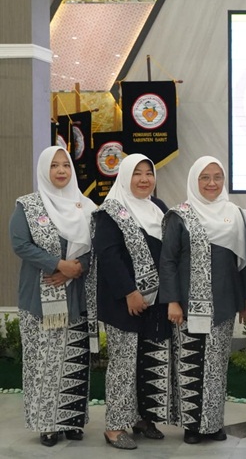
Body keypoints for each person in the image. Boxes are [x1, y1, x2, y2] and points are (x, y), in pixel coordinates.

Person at [159, 156, 246, 444]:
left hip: (223, 302)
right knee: (190, 362)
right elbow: (168, 261)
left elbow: (244, 262)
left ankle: (212, 424)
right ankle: (192, 426)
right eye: (205, 178)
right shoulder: (180, 215)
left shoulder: (236, 214)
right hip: (187, 306)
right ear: (194, 181)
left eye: (217, 177)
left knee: (215, 366)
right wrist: (173, 301)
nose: (212, 183)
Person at [9, 147, 94, 447]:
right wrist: (57, 265)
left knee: (74, 358)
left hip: (77, 297)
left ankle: (71, 420)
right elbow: (20, 243)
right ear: (44, 170)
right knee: (44, 361)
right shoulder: (29, 206)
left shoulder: (85, 206)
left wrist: (75, 269)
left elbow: (96, 249)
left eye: (65, 166)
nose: (60, 171)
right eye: (54, 166)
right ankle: (47, 423)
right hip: (40, 298)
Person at [93, 154, 172, 450]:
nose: (143, 179)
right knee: (123, 364)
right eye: (136, 173)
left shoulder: (159, 208)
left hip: (156, 302)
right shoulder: (110, 211)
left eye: (148, 173)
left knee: (149, 360)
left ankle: (142, 418)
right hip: (122, 302)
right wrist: (129, 291)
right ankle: (114, 426)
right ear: (124, 176)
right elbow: (109, 256)